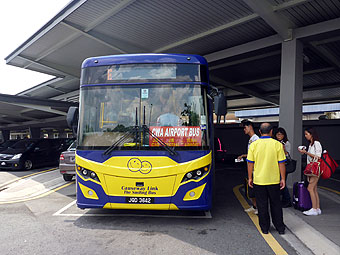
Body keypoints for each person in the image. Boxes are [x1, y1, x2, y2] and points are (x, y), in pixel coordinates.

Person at [247, 123, 286, 235]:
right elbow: (281, 163)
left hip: (259, 181)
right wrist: (282, 178)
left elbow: (250, 163)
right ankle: (280, 228)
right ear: (271, 131)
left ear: (259, 132)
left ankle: (265, 228)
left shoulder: (254, 145)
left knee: (262, 205)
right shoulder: (277, 144)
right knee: (276, 204)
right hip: (274, 180)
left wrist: (250, 177)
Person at [298, 127, 322, 216]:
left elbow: (318, 156)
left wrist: (306, 152)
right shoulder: (311, 144)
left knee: (310, 188)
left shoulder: (316, 143)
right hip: (312, 168)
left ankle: (314, 209)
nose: (305, 136)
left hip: (315, 169)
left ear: (311, 134)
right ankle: (317, 208)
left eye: (306, 134)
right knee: (314, 188)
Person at [238, 120, 259, 214]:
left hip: (255, 168)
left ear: (250, 127)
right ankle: (254, 206)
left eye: (245, 127)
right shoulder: (251, 139)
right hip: (251, 167)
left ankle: (258, 208)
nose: (244, 130)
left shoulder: (256, 139)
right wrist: (243, 156)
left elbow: (255, 154)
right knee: (251, 189)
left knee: (255, 189)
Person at [274, 127, 292, 208]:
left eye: (281, 134)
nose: (279, 136)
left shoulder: (286, 143)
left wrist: (283, 148)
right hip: (276, 166)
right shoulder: (274, 143)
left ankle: (287, 200)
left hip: (284, 165)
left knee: (282, 183)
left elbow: (288, 155)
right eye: (278, 134)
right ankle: (282, 200)